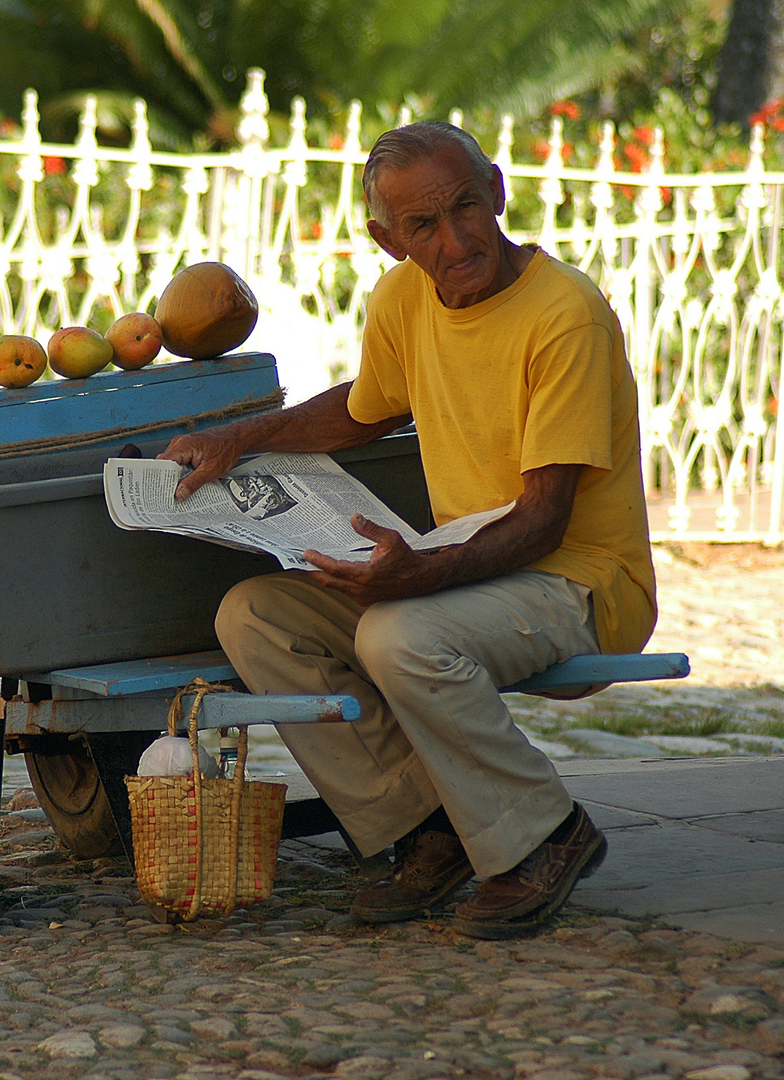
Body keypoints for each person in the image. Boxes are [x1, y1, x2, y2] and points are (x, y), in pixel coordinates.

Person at [158, 121, 656, 939]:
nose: (457, 240)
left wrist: (413, 578)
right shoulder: (403, 299)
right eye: (424, 225)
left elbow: (543, 521)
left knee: (400, 636)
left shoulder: (567, 314)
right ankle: (428, 828)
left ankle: (544, 835)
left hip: (580, 581)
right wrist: (236, 439)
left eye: (467, 207)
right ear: (387, 241)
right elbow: (361, 411)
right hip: (465, 568)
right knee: (254, 614)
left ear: (497, 192)